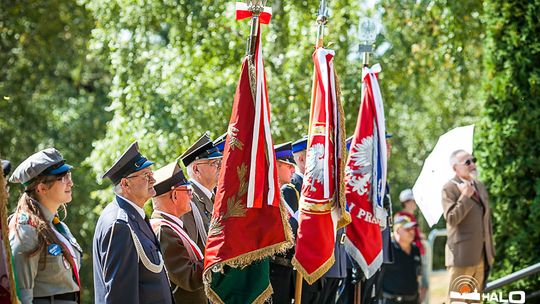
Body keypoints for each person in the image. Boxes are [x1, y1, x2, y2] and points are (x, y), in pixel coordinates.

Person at [93, 142, 172, 304]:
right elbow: (120, 296)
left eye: (151, 174)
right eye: (146, 175)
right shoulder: (119, 224)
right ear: (125, 184)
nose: (153, 179)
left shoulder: (132, 215)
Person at [8, 148, 82, 304]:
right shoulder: (26, 229)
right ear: (41, 188)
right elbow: (21, 295)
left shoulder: (58, 227)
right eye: (62, 178)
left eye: (69, 176)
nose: (71, 183)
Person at [150, 161, 206, 303]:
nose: (191, 196)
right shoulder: (164, 230)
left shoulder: (170, 227)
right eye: (188, 190)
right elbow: (189, 278)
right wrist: (218, 256)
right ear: (174, 195)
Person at [442, 150, 494, 293]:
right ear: (455, 168)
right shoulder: (449, 188)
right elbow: (451, 219)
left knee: (475, 301)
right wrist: (465, 196)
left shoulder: (479, 185)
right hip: (461, 257)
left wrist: (490, 251)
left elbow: (486, 220)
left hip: (482, 255)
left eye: (473, 160)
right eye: (467, 162)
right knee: (458, 300)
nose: (473, 164)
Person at [179, 133, 223, 251]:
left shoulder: (216, 198)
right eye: (214, 163)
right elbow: (191, 249)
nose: (220, 167)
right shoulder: (188, 199)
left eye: (220, 162)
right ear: (196, 169)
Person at [270, 142, 297, 304]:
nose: (293, 169)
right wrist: (296, 220)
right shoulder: (269, 197)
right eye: (288, 165)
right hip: (274, 271)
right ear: (276, 166)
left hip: (285, 272)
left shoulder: (281, 196)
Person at [381, 215, 422, 304]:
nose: (412, 232)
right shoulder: (387, 248)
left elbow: (418, 276)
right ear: (397, 231)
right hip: (391, 301)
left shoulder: (415, 249)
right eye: (407, 229)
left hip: (413, 300)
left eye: (412, 228)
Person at [397, 189, 428, 301]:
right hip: (410, 257)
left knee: (423, 286)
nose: (415, 204)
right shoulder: (401, 217)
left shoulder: (412, 217)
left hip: (418, 253)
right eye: (413, 201)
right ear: (406, 202)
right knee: (417, 286)